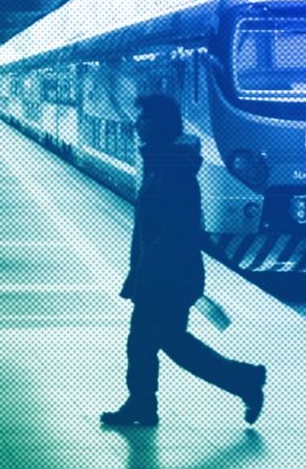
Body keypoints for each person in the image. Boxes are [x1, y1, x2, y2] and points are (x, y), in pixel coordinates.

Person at [100, 93, 266, 427]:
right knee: (154, 342)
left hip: (167, 275)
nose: (136, 124)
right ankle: (144, 404)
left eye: (143, 118)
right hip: (158, 271)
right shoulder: (161, 163)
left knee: (160, 342)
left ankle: (244, 380)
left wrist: (149, 272)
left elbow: (180, 228)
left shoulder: (173, 170)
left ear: (159, 124)